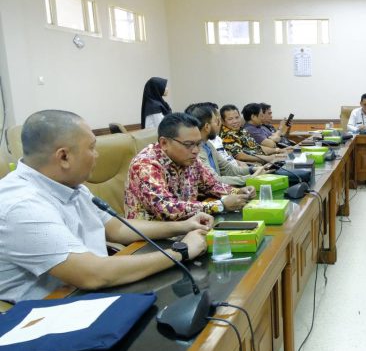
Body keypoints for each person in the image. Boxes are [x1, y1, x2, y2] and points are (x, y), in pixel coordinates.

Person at [0, 110, 209, 302]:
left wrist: (184, 226)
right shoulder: (21, 205)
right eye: (92, 148)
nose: (97, 155)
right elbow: (92, 274)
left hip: (88, 294)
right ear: (63, 157)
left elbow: (116, 228)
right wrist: (181, 252)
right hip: (48, 313)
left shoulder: (70, 184)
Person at [125, 113, 255, 221]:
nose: (195, 150)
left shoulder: (190, 158)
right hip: (150, 237)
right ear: (164, 143)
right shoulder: (145, 165)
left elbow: (211, 184)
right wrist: (219, 205)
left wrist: (238, 192)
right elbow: (165, 208)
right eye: (188, 144)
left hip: (188, 225)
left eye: (198, 144)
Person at [185, 103, 268, 187]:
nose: (220, 124)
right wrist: (252, 178)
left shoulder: (208, 144)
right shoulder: (197, 151)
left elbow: (227, 168)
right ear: (207, 127)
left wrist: (252, 170)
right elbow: (215, 180)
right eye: (217, 121)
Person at [219, 105, 287, 164]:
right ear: (223, 121)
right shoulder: (227, 135)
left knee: (288, 160)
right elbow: (240, 156)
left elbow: (256, 147)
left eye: (237, 117)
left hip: (263, 161)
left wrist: (278, 151)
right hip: (252, 167)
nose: (235, 121)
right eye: (230, 119)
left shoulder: (241, 130)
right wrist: (267, 158)